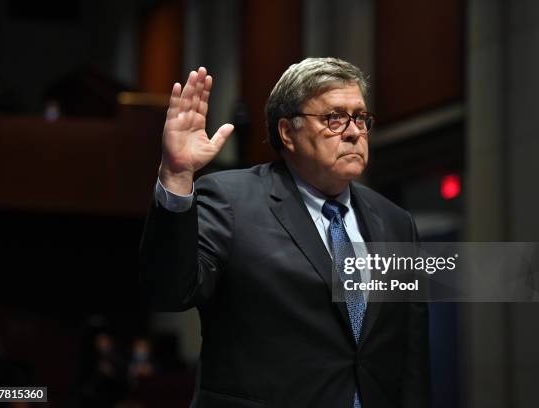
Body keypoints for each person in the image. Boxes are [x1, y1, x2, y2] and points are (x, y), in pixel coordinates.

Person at [140, 57, 430, 407]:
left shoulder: (396, 222)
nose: (353, 131)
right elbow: (170, 291)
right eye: (333, 118)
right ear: (288, 132)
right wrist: (175, 176)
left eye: (360, 118)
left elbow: (410, 351)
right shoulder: (232, 201)